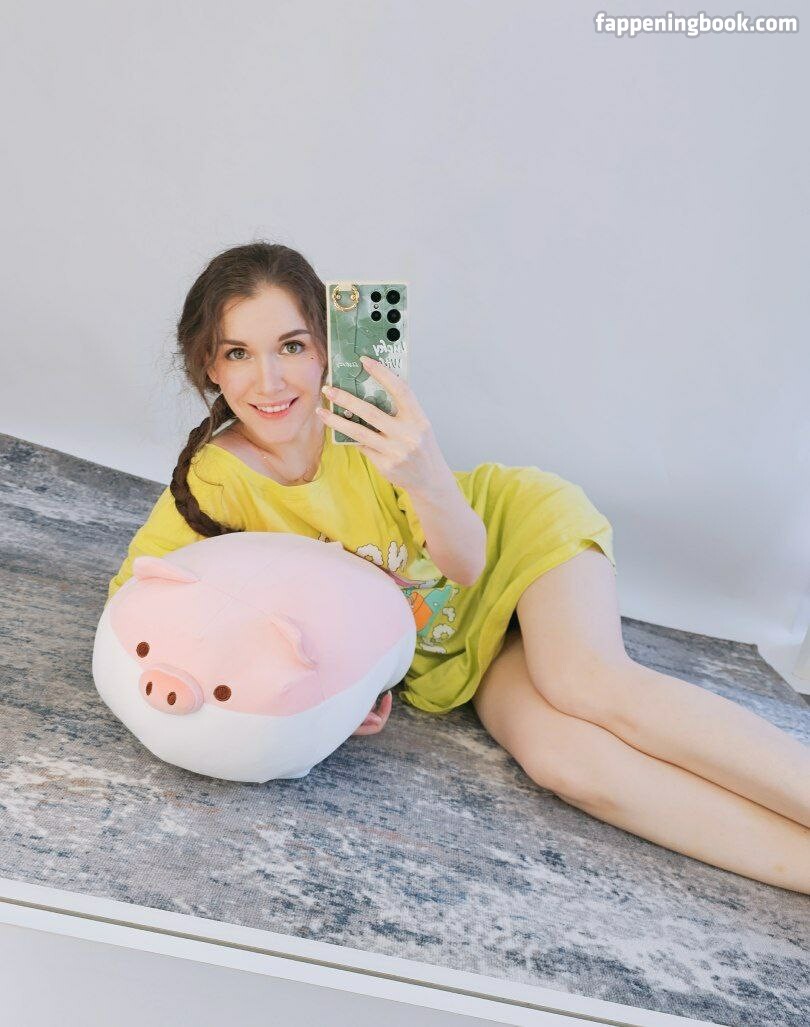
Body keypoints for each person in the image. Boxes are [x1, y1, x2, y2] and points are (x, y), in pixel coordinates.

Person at [108, 241, 810, 894]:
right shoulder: (214, 480)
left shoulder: (367, 429)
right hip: (448, 649)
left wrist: (423, 471)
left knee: (583, 681)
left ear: (326, 348)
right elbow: (140, 600)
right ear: (209, 366)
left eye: (292, 345)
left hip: (513, 542)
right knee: (566, 763)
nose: (269, 379)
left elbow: (468, 564)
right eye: (237, 352)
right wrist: (333, 681)